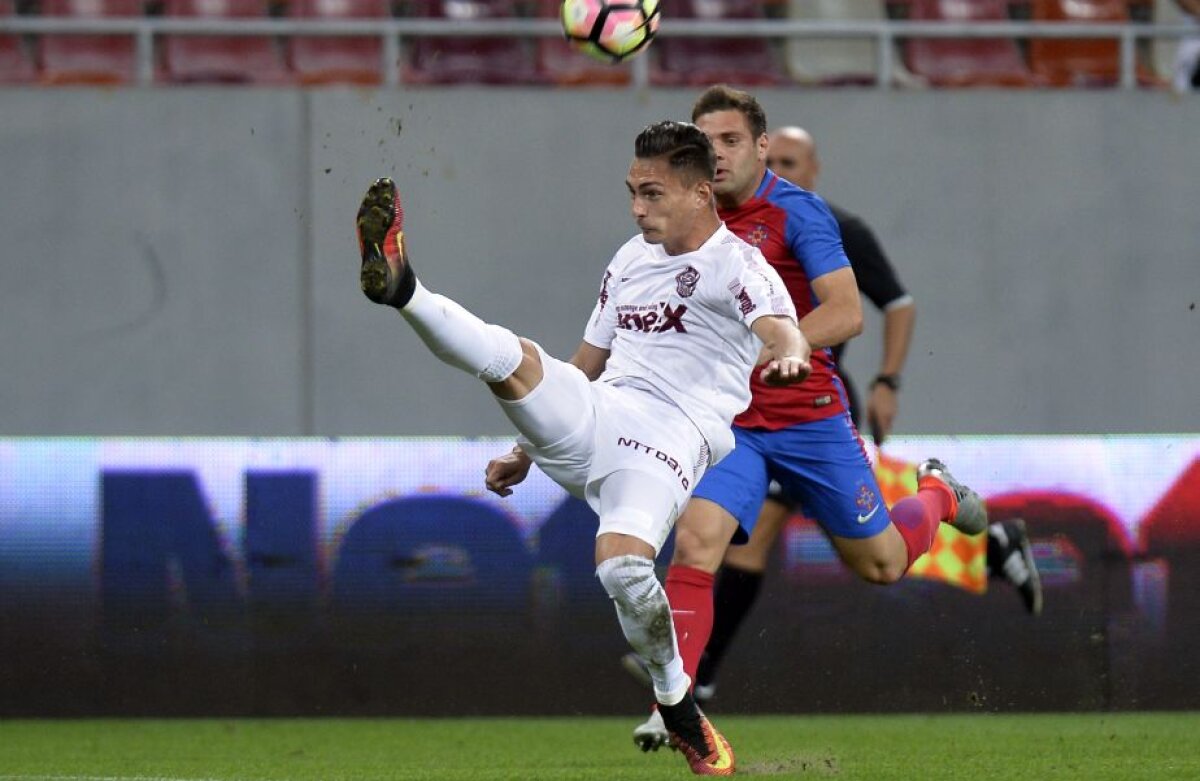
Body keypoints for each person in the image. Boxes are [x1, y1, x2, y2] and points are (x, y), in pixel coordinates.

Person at [356, 120, 813, 776]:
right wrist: (527, 445)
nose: (637, 209)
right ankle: (404, 288)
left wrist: (791, 356)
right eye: (632, 192)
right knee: (510, 357)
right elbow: (585, 364)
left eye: (652, 194)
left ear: (699, 193)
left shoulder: (739, 266)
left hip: (669, 441)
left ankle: (676, 701)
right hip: (598, 414)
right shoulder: (630, 259)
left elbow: (781, 331)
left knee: (623, 571)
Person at [631, 86, 989, 751]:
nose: (717, 155)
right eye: (706, 143)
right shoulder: (686, 215)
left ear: (760, 146)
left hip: (809, 419)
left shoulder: (799, 213)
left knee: (881, 565)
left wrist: (779, 344)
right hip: (730, 425)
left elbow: (848, 313)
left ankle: (937, 493)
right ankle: (672, 705)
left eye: (731, 141)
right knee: (697, 543)